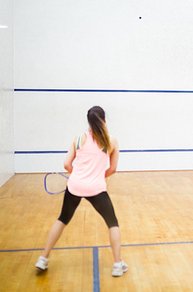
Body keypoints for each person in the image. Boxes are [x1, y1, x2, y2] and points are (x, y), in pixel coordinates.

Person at [35, 106, 128, 277]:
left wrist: (79, 176)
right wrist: (98, 176)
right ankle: (117, 264)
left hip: (74, 186)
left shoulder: (78, 139)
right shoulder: (111, 141)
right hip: (96, 189)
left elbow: (66, 164)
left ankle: (43, 258)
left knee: (62, 219)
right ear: (105, 121)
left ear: (89, 122)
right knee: (112, 222)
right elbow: (113, 168)